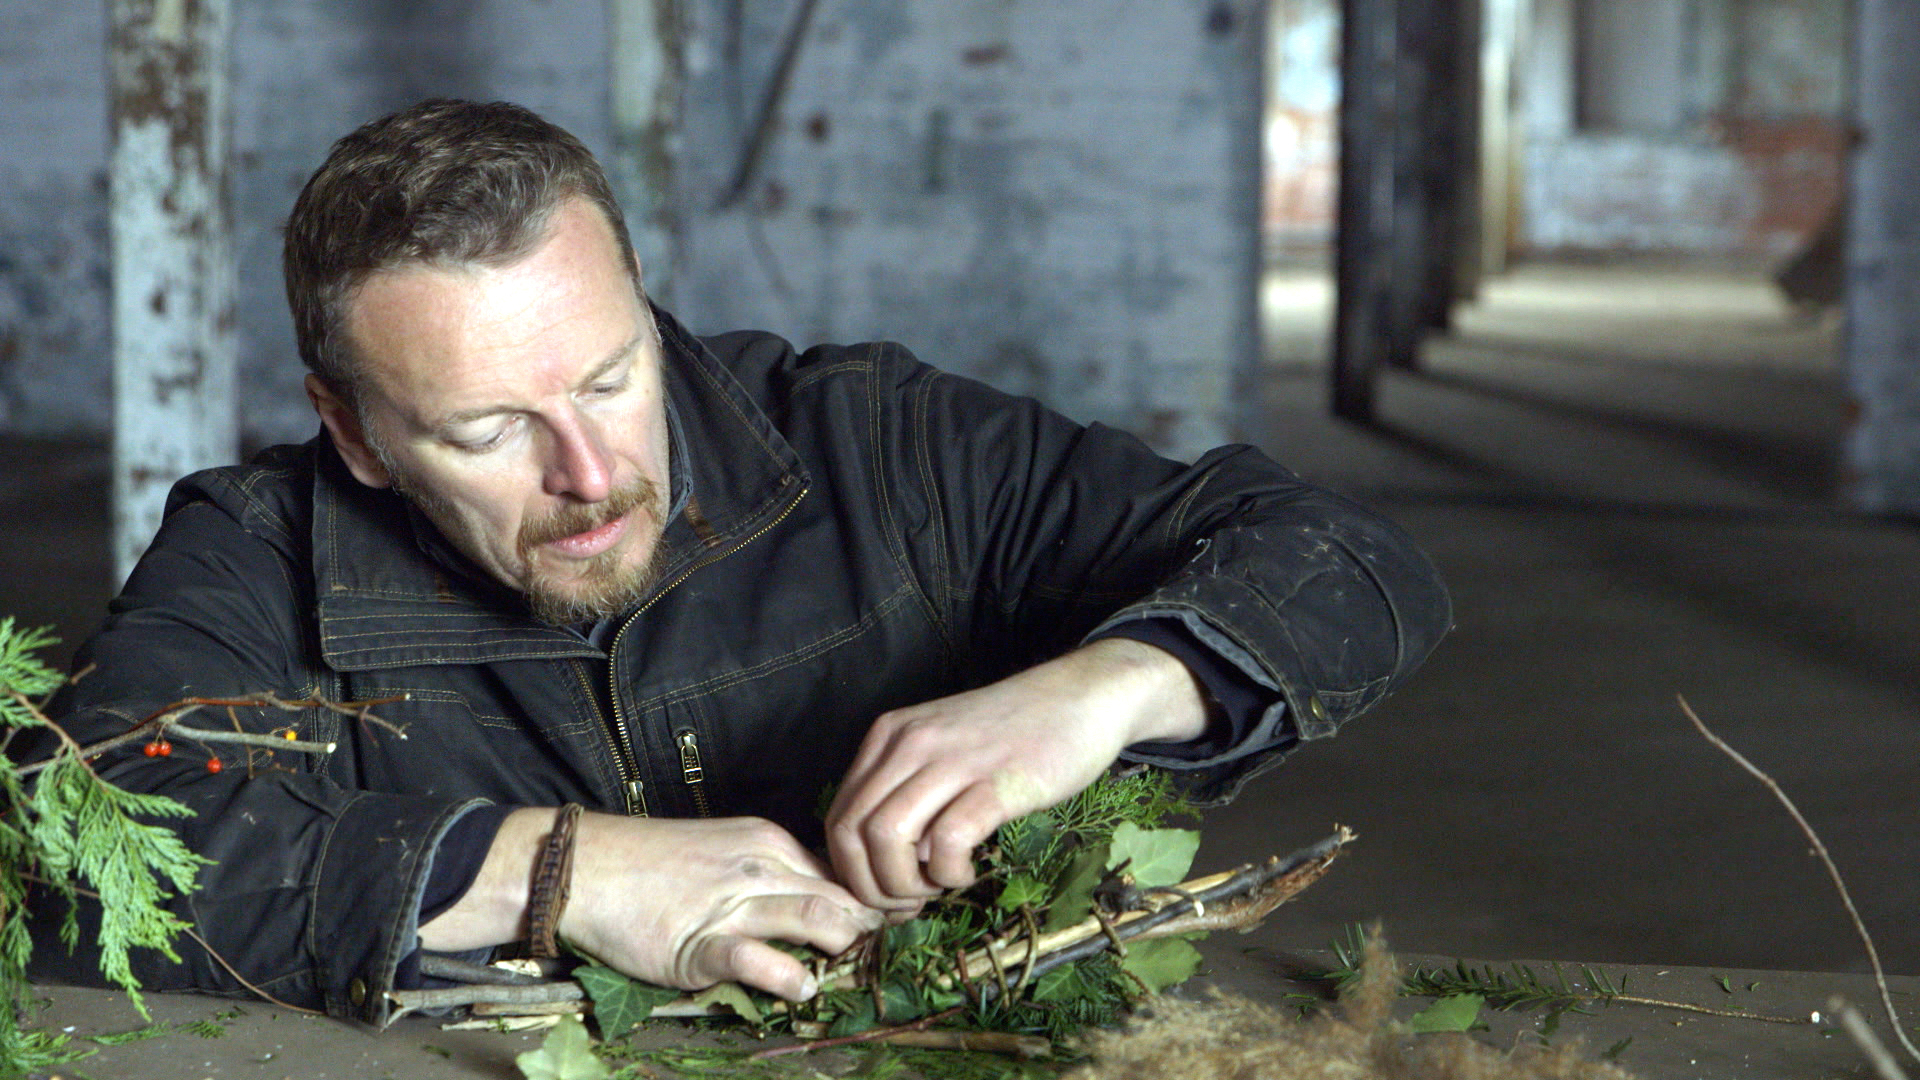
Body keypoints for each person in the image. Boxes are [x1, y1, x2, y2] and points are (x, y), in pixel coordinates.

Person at [26, 99, 1449, 1024]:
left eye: (609, 375)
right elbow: (65, 849)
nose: (588, 475)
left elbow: (1351, 562)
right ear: (356, 431)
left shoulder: (877, 442)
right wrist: (561, 873)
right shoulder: (258, 550)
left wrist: (1102, 688)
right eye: (488, 429)